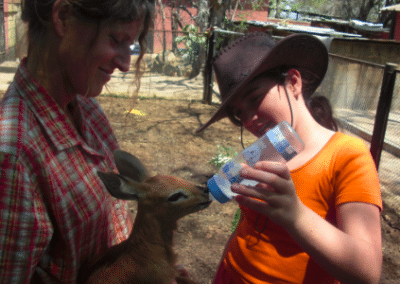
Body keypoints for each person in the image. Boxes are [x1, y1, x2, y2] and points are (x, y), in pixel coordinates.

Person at [196, 32, 382, 283]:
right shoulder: (266, 150)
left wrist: (295, 214)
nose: (248, 119)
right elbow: (246, 226)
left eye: (254, 98)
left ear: (293, 82)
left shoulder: (347, 155)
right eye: (238, 112)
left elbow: (368, 271)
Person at [0, 0, 154, 283]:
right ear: (64, 19)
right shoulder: (14, 155)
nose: (124, 64)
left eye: (130, 46)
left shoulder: (87, 109)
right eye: (116, 39)